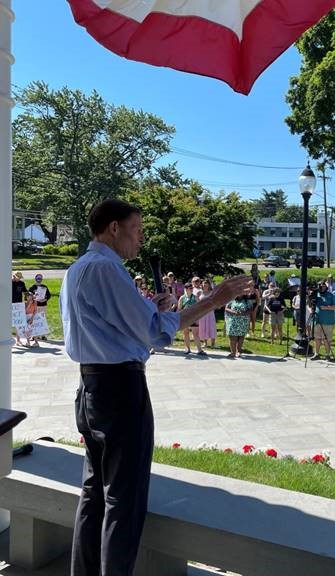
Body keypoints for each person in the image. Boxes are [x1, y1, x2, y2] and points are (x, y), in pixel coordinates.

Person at [60, 199, 250, 576]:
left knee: (94, 493)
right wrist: (214, 299)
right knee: (123, 501)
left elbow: (128, 327)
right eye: (137, 230)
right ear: (114, 228)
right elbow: (154, 333)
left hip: (92, 388)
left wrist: (156, 310)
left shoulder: (79, 269)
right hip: (120, 392)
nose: (141, 240)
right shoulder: (106, 269)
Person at [311, 281, 335, 360]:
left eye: (323, 286)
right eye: (320, 286)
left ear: (326, 286)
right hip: (317, 320)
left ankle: (327, 355)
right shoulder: (316, 295)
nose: (321, 287)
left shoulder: (331, 295)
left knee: (327, 339)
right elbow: (310, 304)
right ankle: (317, 354)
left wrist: (326, 308)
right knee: (317, 338)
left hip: (328, 321)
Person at [178, 283, 206, 356]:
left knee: (195, 333)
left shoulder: (195, 297)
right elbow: (179, 309)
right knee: (186, 333)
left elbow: (200, 307)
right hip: (185, 317)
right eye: (190, 288)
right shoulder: (182, 298)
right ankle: (187, 348)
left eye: (192, 288)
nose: (192, 289)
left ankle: (199, 350)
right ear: (186, 289)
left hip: (193, 317)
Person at [28, 273, 51, 340]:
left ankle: (43, 335)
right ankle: (34, 335)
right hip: (35, 306)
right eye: (38, 278)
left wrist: (44, 299)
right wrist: (34, 299)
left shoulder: (44, 287)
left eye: (40, 278)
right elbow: (28, 297)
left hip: (43, 305)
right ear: (35, 279)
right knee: (34, 320)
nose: (39, 280)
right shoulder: (32, 288)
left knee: (42, 320)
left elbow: (49, 295)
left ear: (42, 279)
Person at [198, 280, 217, 347]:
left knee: (211, 326)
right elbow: (198, 303)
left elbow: (215, 301)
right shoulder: (199, 293)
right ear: (202, 285)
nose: (205, 285)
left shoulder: (212, 292)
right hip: (202, 312)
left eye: (206, 284)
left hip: (210, 311)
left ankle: (213, 343)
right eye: (204, 284)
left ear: (209, 285)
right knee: (203, 326)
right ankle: (205, 343)